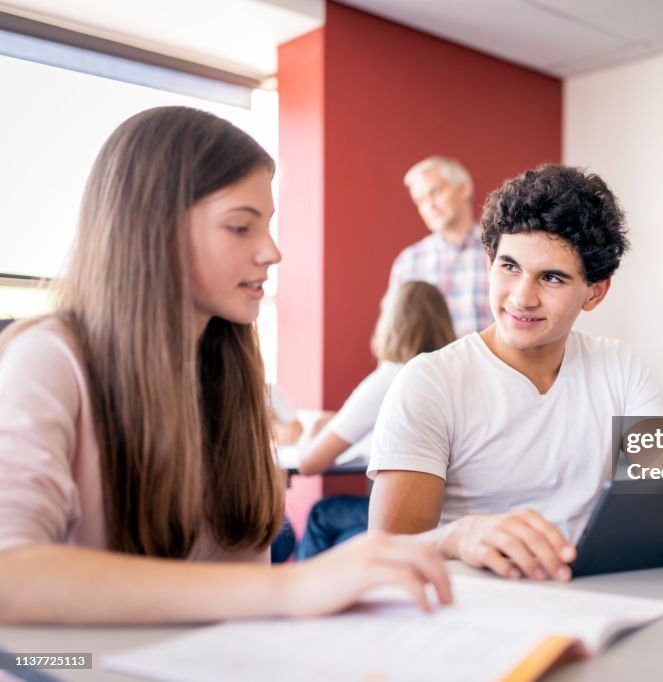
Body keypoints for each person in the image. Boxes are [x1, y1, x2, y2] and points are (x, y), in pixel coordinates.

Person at [0, 106, 450, 623]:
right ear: (153, 230)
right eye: (241, 227)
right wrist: (288, 588)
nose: (272, 252)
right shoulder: (51, 358)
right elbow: (9, 575)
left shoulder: (227, 366)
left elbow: (239, 571)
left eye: (268, 226)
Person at [368, 164, 663, 581]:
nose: (521, 297)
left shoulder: (618, 367)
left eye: (551, 278)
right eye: (510, 266)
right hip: (477, 615)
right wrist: (459, 535)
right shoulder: (431, 381)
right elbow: (384, 553)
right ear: (490, 262)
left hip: (594, 601)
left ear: (595, 292)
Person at [295, 281, 456, 560]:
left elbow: (310, 463)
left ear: (391, 324)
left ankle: (300, 598)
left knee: (323, 513)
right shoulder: (452, 374)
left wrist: (314, 427)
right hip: (452, 520)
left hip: (412, 528)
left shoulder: (391, 377)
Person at [388, 156, 491, 338]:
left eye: (435, 192)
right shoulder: (408, 263)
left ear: (463, 189)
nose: (430, 206)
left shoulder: (498, 250)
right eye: (420, 201)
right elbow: (396, 339)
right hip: (432, 366)